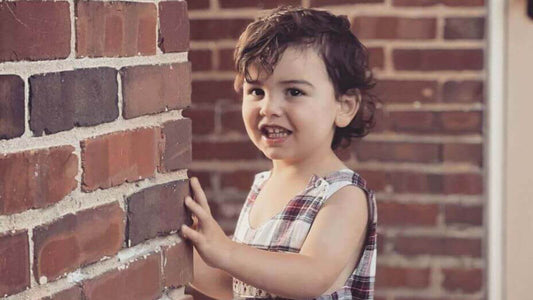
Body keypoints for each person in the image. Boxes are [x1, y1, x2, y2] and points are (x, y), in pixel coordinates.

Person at [180, 5, 378, 300]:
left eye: (294, 92)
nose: (269, 108)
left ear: (344, 107)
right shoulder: (263, 185)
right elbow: (237, 287)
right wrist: (186, 248)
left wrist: (225, 250)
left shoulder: (343, 195)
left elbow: (311, 277)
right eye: (256, 91)